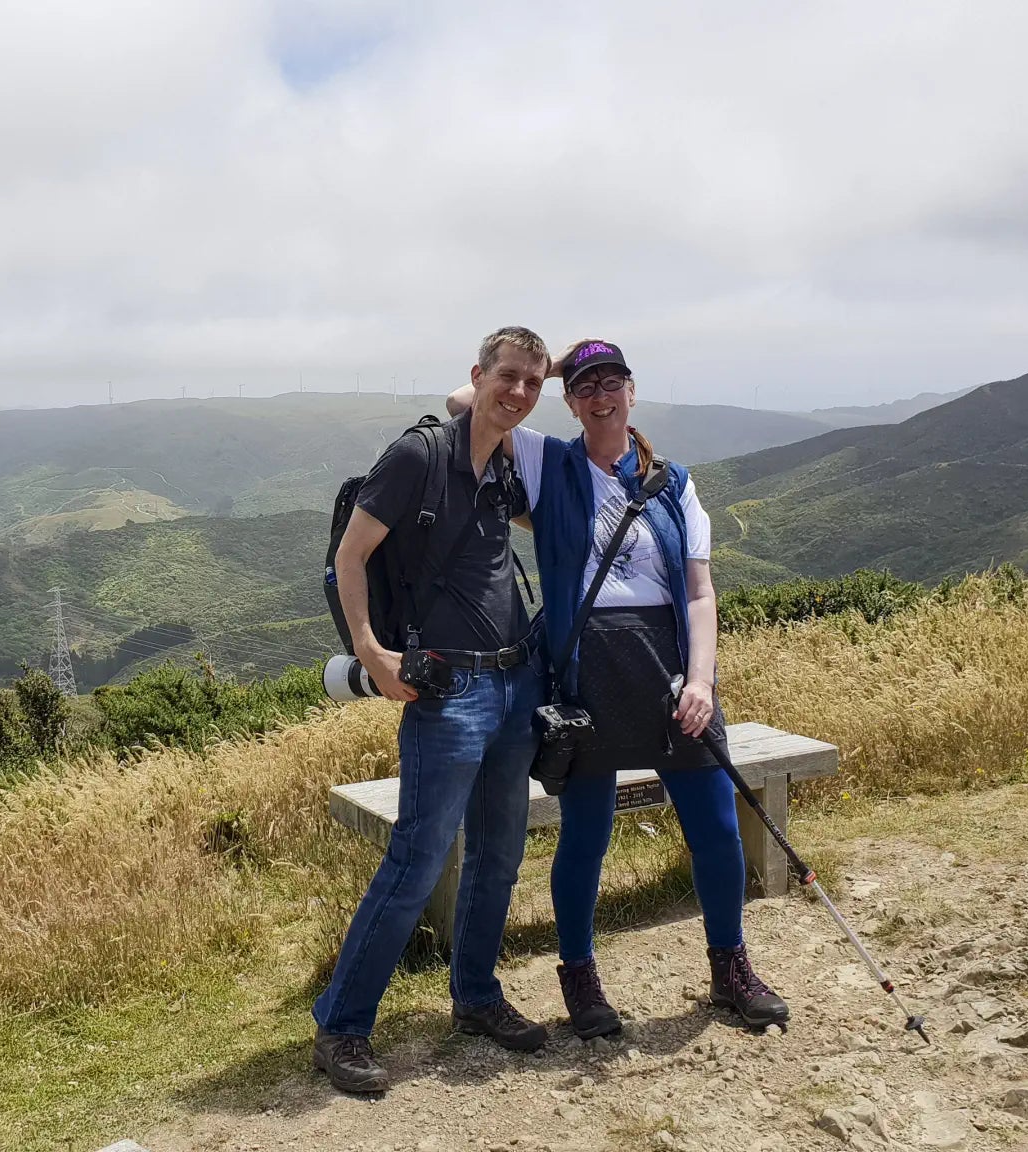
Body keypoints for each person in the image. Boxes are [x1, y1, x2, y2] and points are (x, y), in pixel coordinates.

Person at [448, 338, 789, 1040]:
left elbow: (699, 591)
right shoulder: (550, 461)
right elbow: (461, 403)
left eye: (612, 382)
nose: (600, 396)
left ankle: (731, 969)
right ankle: (580, 978)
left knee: (717, 828)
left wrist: (701, 680)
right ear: (569, 402)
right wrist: (517, 389)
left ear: (633, 391)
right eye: (584, 387)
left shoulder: (675, 483)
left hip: (669, 671)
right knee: (587, 836)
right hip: (586, 676)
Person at [312, 326, 552, 1094]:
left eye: (532, 383)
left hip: (516, 686)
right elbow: (351, 557)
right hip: (447, 693)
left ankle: (476, 998)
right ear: (477, 373)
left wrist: (500, 407)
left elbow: (489, 410)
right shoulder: (419, 456)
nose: (517, 393)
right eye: (505, 377)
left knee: (500, 857)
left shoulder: (501, 467)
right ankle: (343, 1027)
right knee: (417, 862)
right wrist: (371, 652)